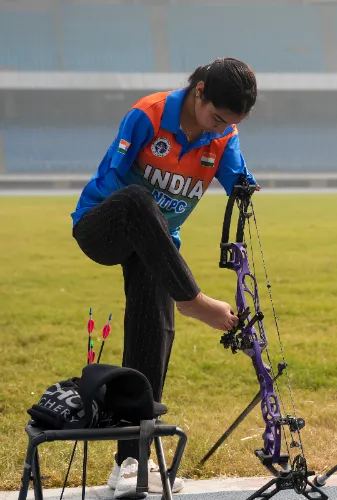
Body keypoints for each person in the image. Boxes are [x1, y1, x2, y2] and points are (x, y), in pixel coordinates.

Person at [70, 57, 258, 498]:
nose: (218, 130)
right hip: (103, 226)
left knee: (150, 333)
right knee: (138, 198)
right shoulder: (148, 115)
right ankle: (192, 300)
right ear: (200, 91)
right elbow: (113, 181)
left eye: (228, 124)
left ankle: (131, 463)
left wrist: (248, 192)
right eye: (216, 117)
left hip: (156, 250)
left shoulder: (223, 134)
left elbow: (240, 188)